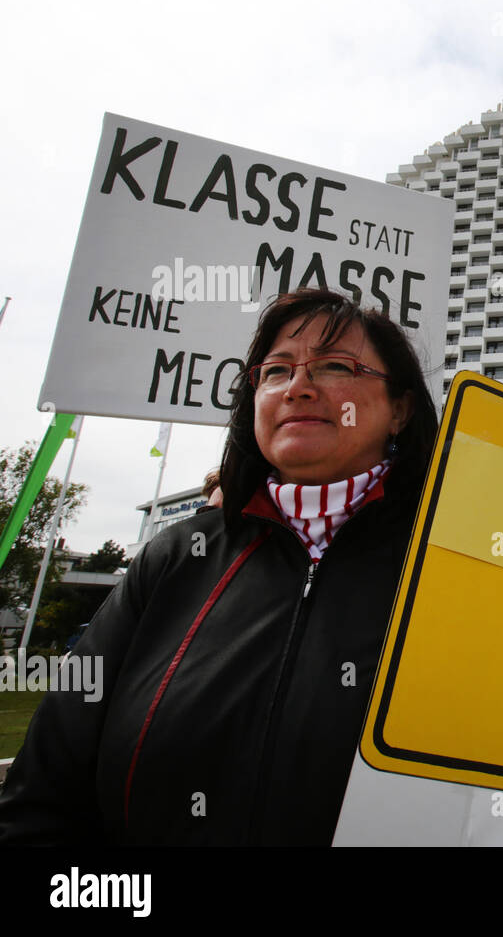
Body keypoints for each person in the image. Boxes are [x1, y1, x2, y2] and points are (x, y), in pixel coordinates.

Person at [0, 288, 438, 845]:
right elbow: (43, 794)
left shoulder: (449, 563)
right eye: (275, 371)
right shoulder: (174, 557)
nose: (297, 387)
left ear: (399, 409)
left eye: (334, 366)